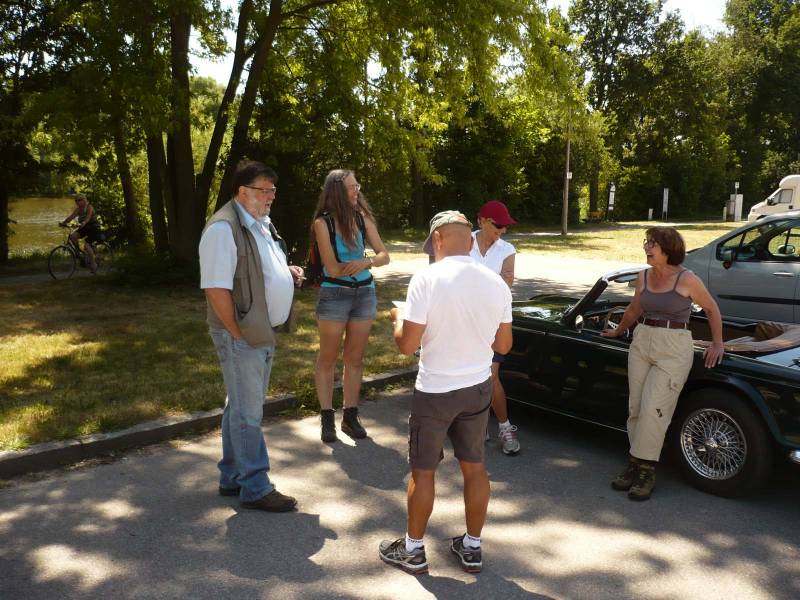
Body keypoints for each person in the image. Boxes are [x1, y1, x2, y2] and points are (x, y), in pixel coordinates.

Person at [379, 210, 513, 575]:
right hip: (477, 387)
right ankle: (472, 547)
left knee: (423, 472)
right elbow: (504, 344)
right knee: (475, 468)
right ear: (470, 241)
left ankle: (413, 550)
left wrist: (398, 319)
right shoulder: (495, 283)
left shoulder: (426, 279)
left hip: (435, 390)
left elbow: (407, 345)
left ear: (437, 239)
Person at [199, 160, 304, 512]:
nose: (271, 196)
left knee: (240, 406)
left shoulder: (260, 222)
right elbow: (215, 289)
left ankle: (232, 476)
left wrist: (285, 272)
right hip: (241, 333)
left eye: (273, 190)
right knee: (248, 412)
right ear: (242, 192)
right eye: (264, 190)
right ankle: (255, 486)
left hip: (259, 330)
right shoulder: (222, 229)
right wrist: (237, 333)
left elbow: (257, 267)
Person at [601, 226, 724, 501]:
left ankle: (646, 470)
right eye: (646, 242)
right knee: (636, 407)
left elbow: (711, 308)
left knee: (654, 408)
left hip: (673, 345)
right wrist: (619, 330)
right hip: (643, 339)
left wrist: (718, 343)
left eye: (652, 243)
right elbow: (635, 308)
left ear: (668, 249)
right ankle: (635, 463)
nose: (647, 247)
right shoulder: (643, 276)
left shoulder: (686, 278)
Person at [311, 169, 390, 443]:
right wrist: (357, 266)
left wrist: (366, 262)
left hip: (364, 293)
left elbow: (384, 255)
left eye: (357, 186)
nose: (356, 191)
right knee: (328, 358)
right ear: (336, 192)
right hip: (335, 294)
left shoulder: (362, 218)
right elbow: (332, 268)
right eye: (350, 188)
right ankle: (327, 418)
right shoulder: (322, 223)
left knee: (355, 358)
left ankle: (350, 416)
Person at [469, 200, 519, 455]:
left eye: (505, 226)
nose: (503, 230)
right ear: (482, 221)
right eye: (498, 225)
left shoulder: (507, 249)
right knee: (466, 376)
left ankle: (505, 427)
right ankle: (477, 425)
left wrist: (473, 285)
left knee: (490, 376)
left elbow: (506, 283)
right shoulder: (464, 241)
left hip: (493, 321)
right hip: (464, 319)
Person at [59, 193, 101, 273]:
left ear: (84, 200)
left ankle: (93, 264)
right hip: (84, 228)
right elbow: (71, 217)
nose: (77, 202)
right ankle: (79, 253)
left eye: (79, 200)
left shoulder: (89, 207)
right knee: (73, 236)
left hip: (93, 228)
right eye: (76, 201)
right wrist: (63, 223)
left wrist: (84, 222)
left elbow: (88, 217)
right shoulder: (78, 210)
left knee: (87, 245)